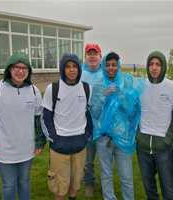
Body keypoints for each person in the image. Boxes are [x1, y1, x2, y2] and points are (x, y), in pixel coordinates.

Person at [0, 52, 46, 200]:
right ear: (9, 69)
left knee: (24, 182)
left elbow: (39, 121)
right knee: (8, 185)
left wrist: (40, 141)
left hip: (27, 150)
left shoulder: (34, 91)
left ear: (29, 71)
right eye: (16, 67)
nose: (20, 71)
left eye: (24, 68)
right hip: (3, 151)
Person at [41, 53, 92, 200]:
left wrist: (86, 136)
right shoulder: (53, 88)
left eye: (74, 66)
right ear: (62, 69)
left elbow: (88, 114)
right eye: (68, 67)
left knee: (75, 184)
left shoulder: (87, 88)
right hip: (60, 145)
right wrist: (55, 139)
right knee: (60, 186)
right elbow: (45, 117)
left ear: (79, 69)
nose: (71, 70)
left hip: (80, 145)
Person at [96, 52, 143, 200]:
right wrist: (103, 96)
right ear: (104, 66)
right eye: (108, 65)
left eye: (114, 65)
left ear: (118, 66)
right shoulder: (98, 85)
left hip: (123, 138)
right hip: (104, 139)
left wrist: (123, 96)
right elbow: (95, 113)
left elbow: (132, 112)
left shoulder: (126, 84)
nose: (111, 68)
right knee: (106, 175)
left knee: (127, 177)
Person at [137, 51, 173, 200]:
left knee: (168, 189)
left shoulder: (171, 86)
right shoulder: (141, 86)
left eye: (158, 64)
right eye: (151, 64)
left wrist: (168, 138)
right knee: (149, 188)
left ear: (163, 66)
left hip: (164, 148)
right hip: (143, 147)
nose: (154, 67)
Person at [81, 43, 103, 197]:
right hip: (86, 123)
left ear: (100, 56)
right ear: (86, 57)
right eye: (90, 54)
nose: (92, 56)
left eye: (95, 54)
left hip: (104, 122)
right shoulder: (80, 74)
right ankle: (89, 182)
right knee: (88, 158)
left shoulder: (107, 73)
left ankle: (105, 183)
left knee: (105, 158)